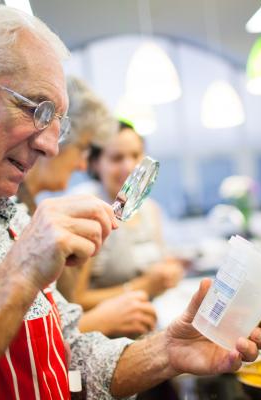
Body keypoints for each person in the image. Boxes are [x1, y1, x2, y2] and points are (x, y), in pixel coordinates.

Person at [0, 4, 261, 398]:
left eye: (56, 124)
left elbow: (72, 355)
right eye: (35, 109)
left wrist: (168, 350)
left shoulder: (10, 216)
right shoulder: (28, 240)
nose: (49, 145)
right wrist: (22, 270)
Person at [15, 76, 157, 338]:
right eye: (82, 150)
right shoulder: (26, 209)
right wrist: (96, 320)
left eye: (135, 156)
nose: (83, 165)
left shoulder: (29, 206)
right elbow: (30, 325)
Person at [70, 122, 184, 310]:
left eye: (135, 155)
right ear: (96, 164)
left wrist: (169, 273)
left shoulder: (151, 210)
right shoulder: (86, 211)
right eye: (117, 158)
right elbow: (75, 301)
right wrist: (145, 287)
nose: (129, 166)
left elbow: (162, 264)